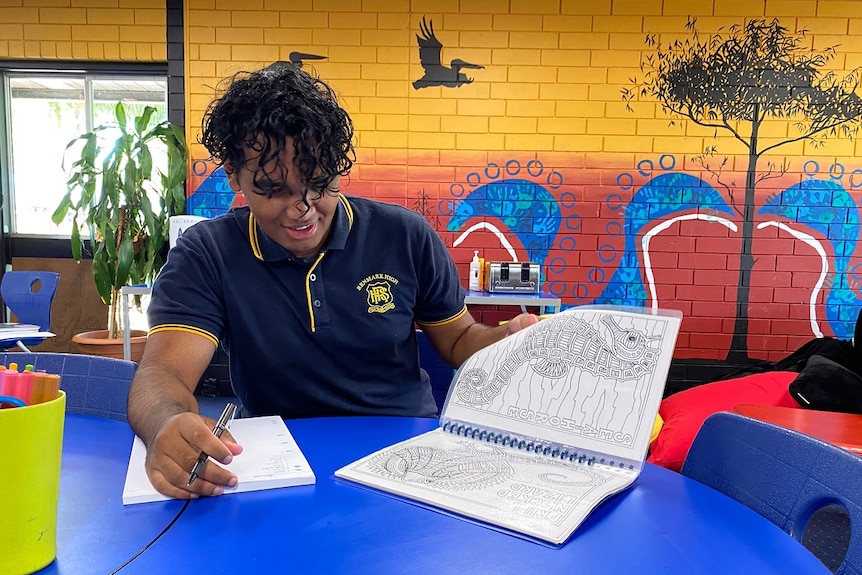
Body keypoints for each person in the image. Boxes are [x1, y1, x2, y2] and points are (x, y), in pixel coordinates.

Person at [127, 61, 539, 500]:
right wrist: (167, 423)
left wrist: (508, 340)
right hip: (277, 467)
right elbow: (163, 373)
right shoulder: (207, 253)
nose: (302, 208)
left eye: (319, 182)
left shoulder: (405, 236)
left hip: (408, 457)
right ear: (232, 173)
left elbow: (459, 342)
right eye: (274, 188)